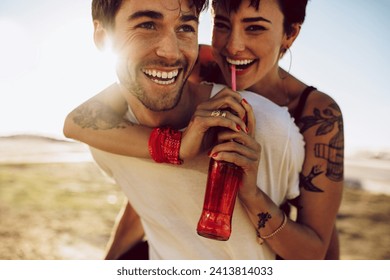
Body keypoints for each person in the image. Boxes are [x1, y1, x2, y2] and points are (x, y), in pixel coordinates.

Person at [65, 0, 344, 259]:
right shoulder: (195, 63)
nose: (234, 47)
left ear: (290, 34)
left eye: (255, 28)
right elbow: (80, 120)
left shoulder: (316, 114)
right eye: (221, 25)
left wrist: (251, 194)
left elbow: (320, 242)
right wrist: (176, 146)